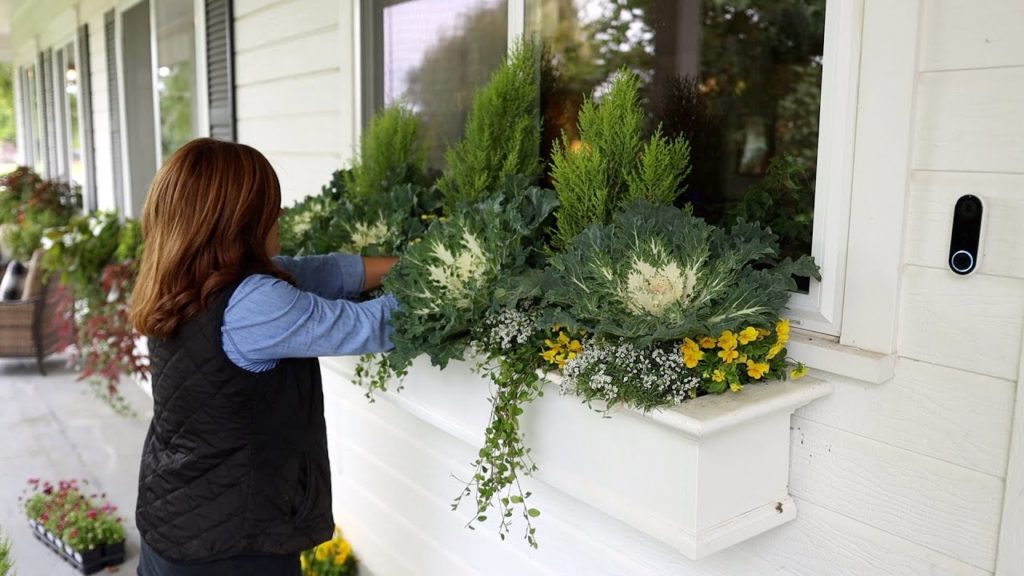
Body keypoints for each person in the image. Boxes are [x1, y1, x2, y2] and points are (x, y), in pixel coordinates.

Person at [130, 138, 399, 575]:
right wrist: (455, 278)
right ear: (237, 218)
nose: (280, 213)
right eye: (269, 203)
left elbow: (314, 272)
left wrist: (400, 264)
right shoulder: (252, 304)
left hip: (173, 519)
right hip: (231, 546)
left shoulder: (181, 278)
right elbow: (372, 325)